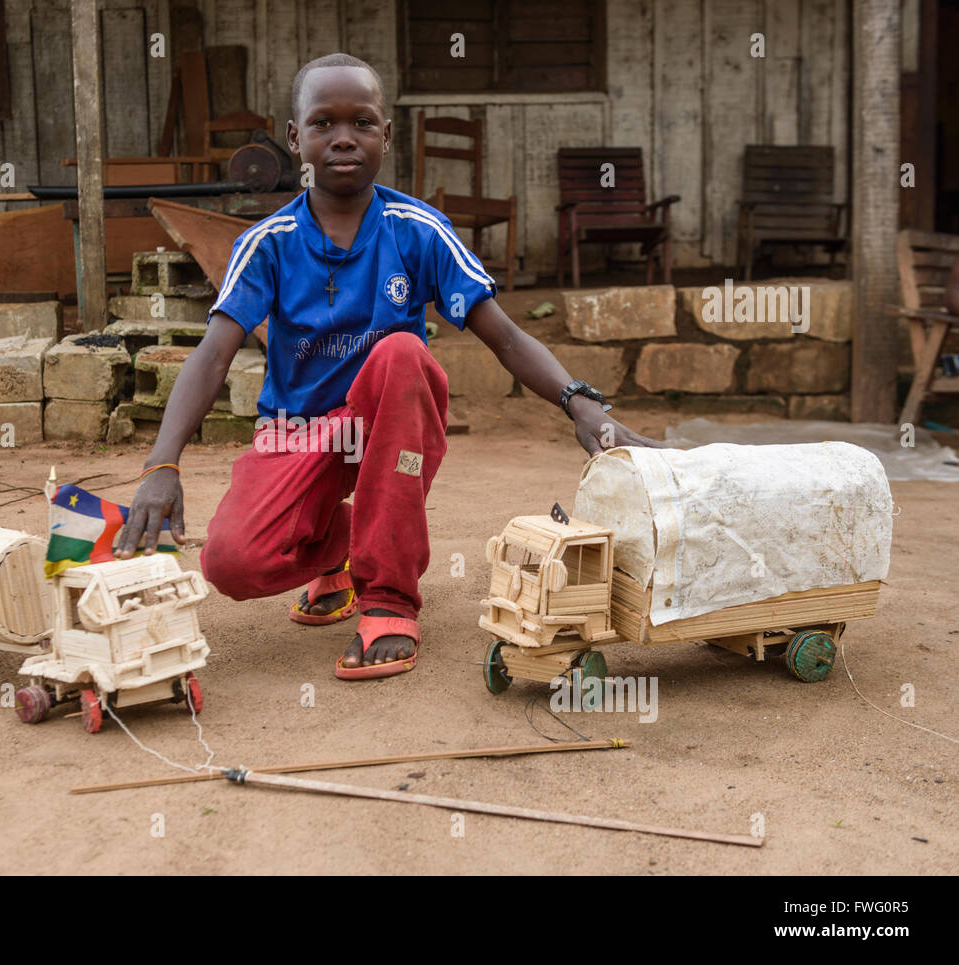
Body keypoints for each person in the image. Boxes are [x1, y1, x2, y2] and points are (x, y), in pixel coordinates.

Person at [115, 52, 662, 679]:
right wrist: (162, 464)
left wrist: (579, 402)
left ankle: (389, 597)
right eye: (323, 123)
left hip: (388, 432)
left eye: (363, 123)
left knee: (404, 354)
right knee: (232, 564)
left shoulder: (419, 231)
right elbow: (213, 355)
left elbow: (505, 337)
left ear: (386, 135)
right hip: (299, 434)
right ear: (295, 139)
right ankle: (342, 544)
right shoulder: (266, 244)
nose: (344, 137)